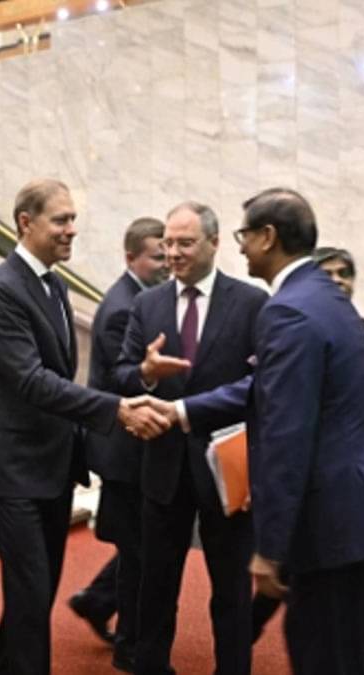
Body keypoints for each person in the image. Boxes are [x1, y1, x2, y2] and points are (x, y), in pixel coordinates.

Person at [168, 187, 364, 675]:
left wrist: (270, 548)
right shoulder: (326, 296)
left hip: (327, 523)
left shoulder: (287, 310)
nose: (240, 248)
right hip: (358, 511)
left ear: (268, 236)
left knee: (323, 658)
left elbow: (285, 435)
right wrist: (181, 411)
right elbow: (267, 387)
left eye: (244, 235)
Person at [0, 178, 170, 675]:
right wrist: (115, 408)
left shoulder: (55, 285)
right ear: (26, 222)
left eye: (73, 219)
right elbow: (31, 381)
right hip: (14, 472)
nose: (71, 230)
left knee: (34, 599)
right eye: (60, 219)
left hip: (53, 467)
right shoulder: (0, 290)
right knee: (30, 598)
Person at [109, 202, 269, 675]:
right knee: (156, 588)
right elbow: (121, 374)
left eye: (185, 243)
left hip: (229, 467)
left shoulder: (251, 302)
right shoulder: (147, 304)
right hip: (164, 469)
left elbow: (262, 382)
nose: (173, 253)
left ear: (214, 243)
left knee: (232, 592)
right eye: (168, 244)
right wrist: (146, 373)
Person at [248, 245, 364, 675]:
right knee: (320, 618)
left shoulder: (354, 325)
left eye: (344, 273)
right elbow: (281, 411)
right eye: (328, 273)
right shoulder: (302, 320)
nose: (337, 281)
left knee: (332, 622)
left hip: (347, 494)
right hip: (320, 496)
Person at [70, 216, 170, 671]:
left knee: (140, 548)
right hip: (124, 451)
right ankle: (129, 644)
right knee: (139, 554)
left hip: (133, 448)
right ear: (131, 257)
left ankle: (98, 602)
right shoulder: (122, 308)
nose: (166, 263)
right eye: (157, 256)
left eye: (168, 254)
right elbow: (122, 381)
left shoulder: (140, 299)